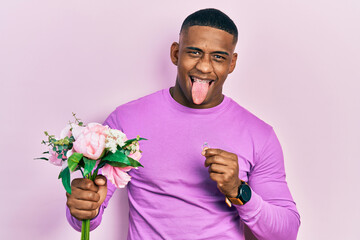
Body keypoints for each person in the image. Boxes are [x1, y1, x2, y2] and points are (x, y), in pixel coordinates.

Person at [66, 8, 300, 239]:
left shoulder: (259, 135)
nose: (205, 66)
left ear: (232, 63)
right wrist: (82, 207)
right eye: (194, 52)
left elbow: (286, 233)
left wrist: (239, 191)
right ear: (176, 53)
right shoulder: (127, 120)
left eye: (218, 57)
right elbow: (87, 216)